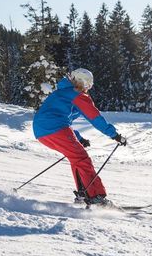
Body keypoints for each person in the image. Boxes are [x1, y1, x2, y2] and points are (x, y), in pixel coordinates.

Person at [32, 68, 128, 205]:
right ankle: (96, 197)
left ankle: (84, 195)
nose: (87, 88)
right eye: (86, 84)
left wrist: (79, 138)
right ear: (80, 82)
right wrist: (114, 135)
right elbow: (94, 117)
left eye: (89, 85)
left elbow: (63, 118)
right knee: (82, 159)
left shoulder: (63, 92)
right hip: (55, 128)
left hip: (41, 131)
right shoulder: (77, 94)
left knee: (76, 158)